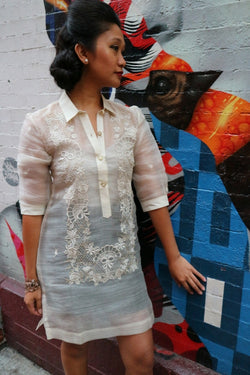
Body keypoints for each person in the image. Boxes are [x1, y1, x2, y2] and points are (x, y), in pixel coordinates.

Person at [18, 1, 206, 374]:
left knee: (140, 356)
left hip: (123, 265)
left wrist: (173, 257)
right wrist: (31, 281)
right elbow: (34, 207)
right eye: (115, 48)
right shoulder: (41, 126)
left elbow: (153, 193)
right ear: (84, 53)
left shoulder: (131, 120)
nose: (124, 59)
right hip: (67, 269)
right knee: (74, 351)